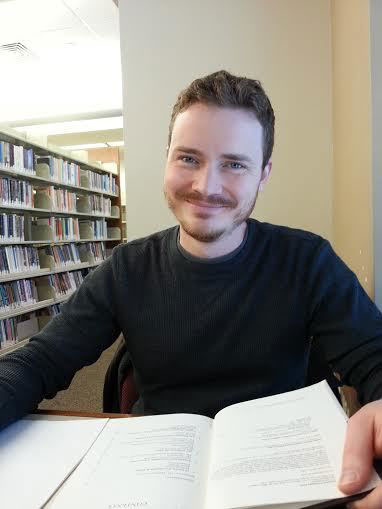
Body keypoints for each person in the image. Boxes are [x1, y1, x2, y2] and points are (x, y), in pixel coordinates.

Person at [1, 70, 382, 507]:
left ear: (264, 173)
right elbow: (42, 359)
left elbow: (374, 355)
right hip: (158, 482)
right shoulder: (128, 267)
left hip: (286, 487)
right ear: (167, 159)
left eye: (234, 164)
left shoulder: (308, 260)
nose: (206, 186)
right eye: (188, 158)